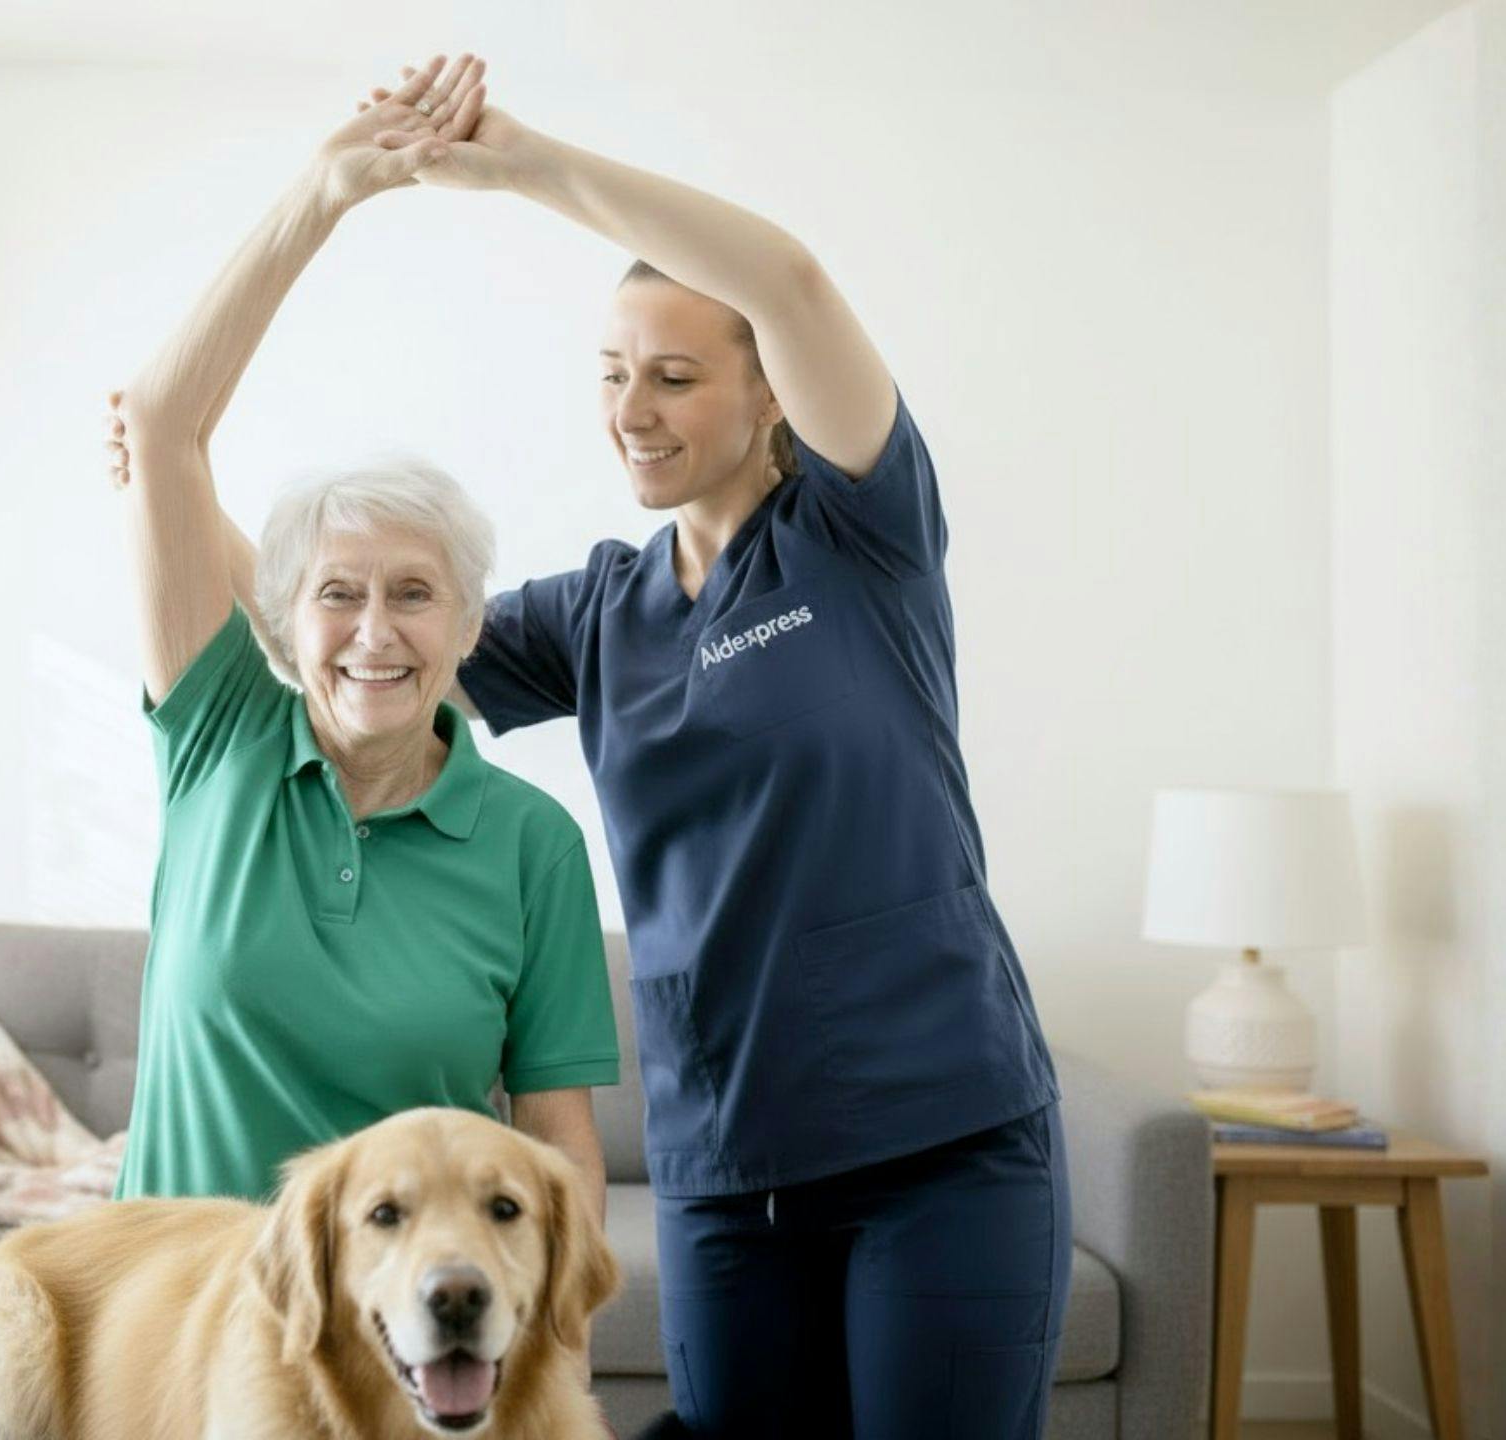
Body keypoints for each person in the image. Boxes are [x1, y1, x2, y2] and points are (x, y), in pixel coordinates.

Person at [345, 61, 1072, 1438]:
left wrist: (523, 163)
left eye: (675, 377)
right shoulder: (598, 613)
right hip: (724, 1177)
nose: (632, 408)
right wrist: (174, 467)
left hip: (941, 1146)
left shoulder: (858, 536)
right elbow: (358, 649)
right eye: (614, 374)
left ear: (771, 395)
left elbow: (789, 280)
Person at [102, 55, 619, 1220]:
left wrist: (557, 1324)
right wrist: (324, 192)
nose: (373, 631)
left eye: (414, 594)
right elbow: (160, 420)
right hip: (171, 1308)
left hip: (397, 1316)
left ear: (468, 625)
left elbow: (559, 1149)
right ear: (283, 617)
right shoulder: (219, 739)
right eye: (337, 593)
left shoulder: (530, 845)